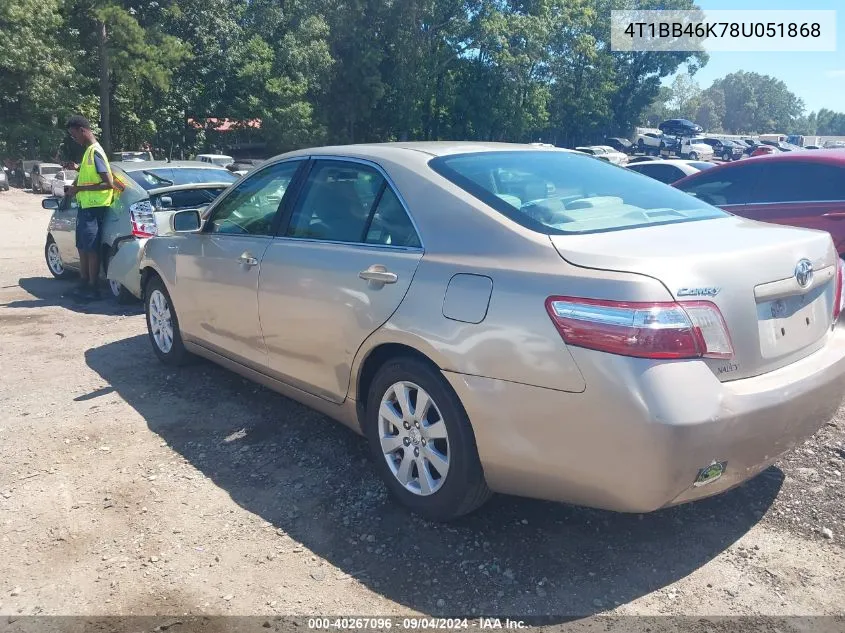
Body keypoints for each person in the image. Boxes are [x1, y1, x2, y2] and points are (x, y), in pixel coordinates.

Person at [64, 115, 116, 300]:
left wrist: (79, 188)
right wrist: (75, 183)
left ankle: (93, 287)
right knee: (83, 247)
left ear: (82, 130)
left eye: (73, 134)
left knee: (91, 249)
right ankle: (84, 281)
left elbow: (108, 183)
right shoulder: (88, 152)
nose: (74, 138)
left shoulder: (95, 151)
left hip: (95, 208)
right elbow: (89, 175)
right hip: (86, 207)